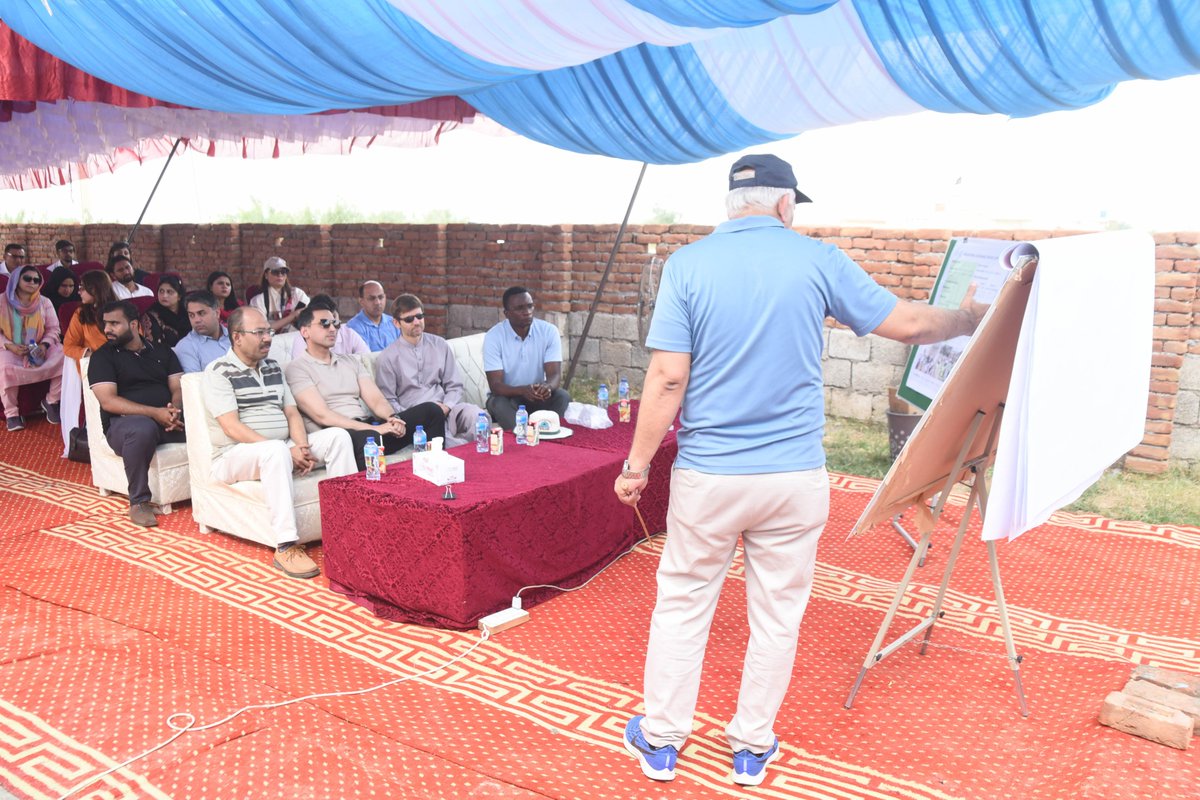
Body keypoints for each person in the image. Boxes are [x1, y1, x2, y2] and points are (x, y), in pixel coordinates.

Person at [613, 154, 989, 787]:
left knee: (682, 605)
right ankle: (751, 747)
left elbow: (669, 377)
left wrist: (637, 466)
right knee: (777, 615)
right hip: (793, 477)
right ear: (786, 204)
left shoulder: (687, 266)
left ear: (731, 205)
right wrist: (969, 319)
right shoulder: (817, 260)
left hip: (710, 476)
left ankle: (662, 740)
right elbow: (909, 324)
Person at [203, 306, 356, 579]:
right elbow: (231, 426)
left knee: (338, 437)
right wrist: (284, 450)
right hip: (232, 455)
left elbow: (292, 412)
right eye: (259, 332)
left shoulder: (273, 366)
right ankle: (286, 546)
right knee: (275, 451)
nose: (267, 338)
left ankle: (348, 527)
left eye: (268, 332)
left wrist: (301, 448)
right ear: (237, 337)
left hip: (280, 446)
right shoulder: (218, 372)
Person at [286, 305, 445, 469]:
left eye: (336, 323)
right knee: (370, 440)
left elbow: (376, 400)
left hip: (367, 427)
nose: (332, 329)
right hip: (340, 435)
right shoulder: (297, 368)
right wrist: (374, 429)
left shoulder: (350, 361)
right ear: (305, 331)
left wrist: (393, 418)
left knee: (432, 411)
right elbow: (323, 416)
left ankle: (435, 471)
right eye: (324, 323)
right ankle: (373, 485)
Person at [87, 300, 185, 527]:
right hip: (124, 425)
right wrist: (155, 413)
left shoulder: (161, 351)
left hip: (167, 419)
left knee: (207, 422)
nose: (107, 329)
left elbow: (178, 386)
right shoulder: (102, 357)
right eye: (105, 324)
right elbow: (108, 401)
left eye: (114, 323)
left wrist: (174, 410)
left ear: (133, 324)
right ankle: (139, 502)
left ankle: (218, 489)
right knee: (142, 428)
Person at [376, 293, 484, 446]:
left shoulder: (440, 345)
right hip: (418, 420)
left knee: (478, 417)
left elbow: (454, 385)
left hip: (446, 409)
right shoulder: (388, 357)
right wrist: (407, 418)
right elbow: (388, 399)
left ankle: (479, 451)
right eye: (409, 319)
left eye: (419, 316)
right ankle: (467, 451)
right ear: (396, 323)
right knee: (451, 444)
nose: (416, 322)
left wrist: (447, 406)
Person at [482, 286, 569, 430]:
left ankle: (550, 432)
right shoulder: (494, 337)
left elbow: (554, 375)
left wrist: (547, 387)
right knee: (497, 403)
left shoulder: (549, 331)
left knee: (562, 396)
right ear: (506, 314)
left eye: (530, 306)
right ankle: (525, 436)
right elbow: (496, 385)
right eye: (520, 308)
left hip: (537, 396)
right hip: (508, 398)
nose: (527, 312)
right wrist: (523, 390)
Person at [0, 265, 64, 431]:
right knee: (5, 367)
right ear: (16, 280)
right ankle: (12, 413)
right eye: (27, 278)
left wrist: (44, 345)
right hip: (8, 347)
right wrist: (10, 346)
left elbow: (53, 328)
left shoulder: (44, 302)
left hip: (38, 345)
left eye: (36, 280)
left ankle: (51, 401)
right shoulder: (1, 302)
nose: (32, 282)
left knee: (65, 355)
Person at [63, 270, 117, 370]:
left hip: (121, 363)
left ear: (94, 289)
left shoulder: (122, 311)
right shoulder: (81, 313)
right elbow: (68, 346)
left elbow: (134, 341)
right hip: (95, 365)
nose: (79, 292)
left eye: (82, 288)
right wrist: (88, 354)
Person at [288, 294, 369, 358]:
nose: (332, 328)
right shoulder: (301, 339)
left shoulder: (349, 333)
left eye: (334, 320)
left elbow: (367, 359)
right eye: (325, 322)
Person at [174, 290, 231, 373]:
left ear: (217, 313)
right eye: (191, 315)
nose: (196, 320)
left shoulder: (235, 336)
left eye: (201, 313)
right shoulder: (186, 346)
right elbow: (195, 380)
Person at [250, 257, 309, 333]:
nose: (280, 275)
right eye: (275, 272)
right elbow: (263, 330)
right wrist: (292, 316)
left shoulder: (297, 294)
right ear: (266, 275)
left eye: (283, 272)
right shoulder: (258, 301)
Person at [345, 280, 400, 351]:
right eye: (371, 298)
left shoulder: (394, 323)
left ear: (385, 297)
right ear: (361, 302)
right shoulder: (353, 327)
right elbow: (365, 356)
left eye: (381, 297)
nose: (377, 302)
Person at [140, 274, 188, 349]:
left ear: (179, 296)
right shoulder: (151, 316)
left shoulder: (188, 313)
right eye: (161, 291)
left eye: (169, 292)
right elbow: (153, 345)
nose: (164, 295)